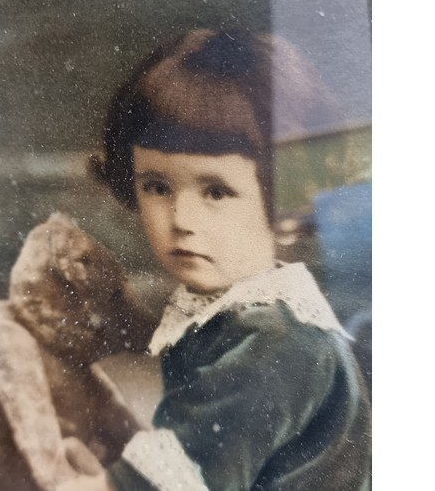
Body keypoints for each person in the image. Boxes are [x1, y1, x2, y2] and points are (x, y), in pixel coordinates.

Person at [58, 29, 371, 490]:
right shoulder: (235, 317)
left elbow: (185, 477)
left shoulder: (281, 342)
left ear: (289, 199)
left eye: (216, 191)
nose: (181, 219)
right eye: (157, 187)